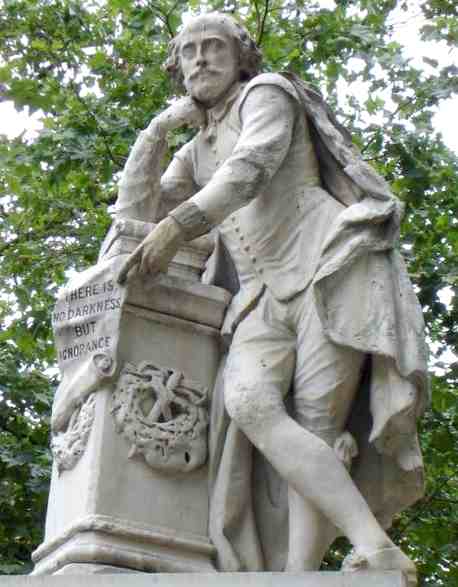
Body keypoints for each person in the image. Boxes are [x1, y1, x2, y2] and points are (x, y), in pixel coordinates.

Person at [117, 13, 428, 585]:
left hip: (327, 269)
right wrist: (157, 133)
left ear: (241, 58)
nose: (201, 60)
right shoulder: (195, 149)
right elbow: (140, 213)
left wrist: (179, 225)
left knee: (315, 425)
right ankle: (365, 548)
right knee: (249, 402)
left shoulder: (267, 95)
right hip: (258, 295)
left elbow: (251, 167)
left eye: (214, 48)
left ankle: (312, 569)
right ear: (177, 68)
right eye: (189, 52)